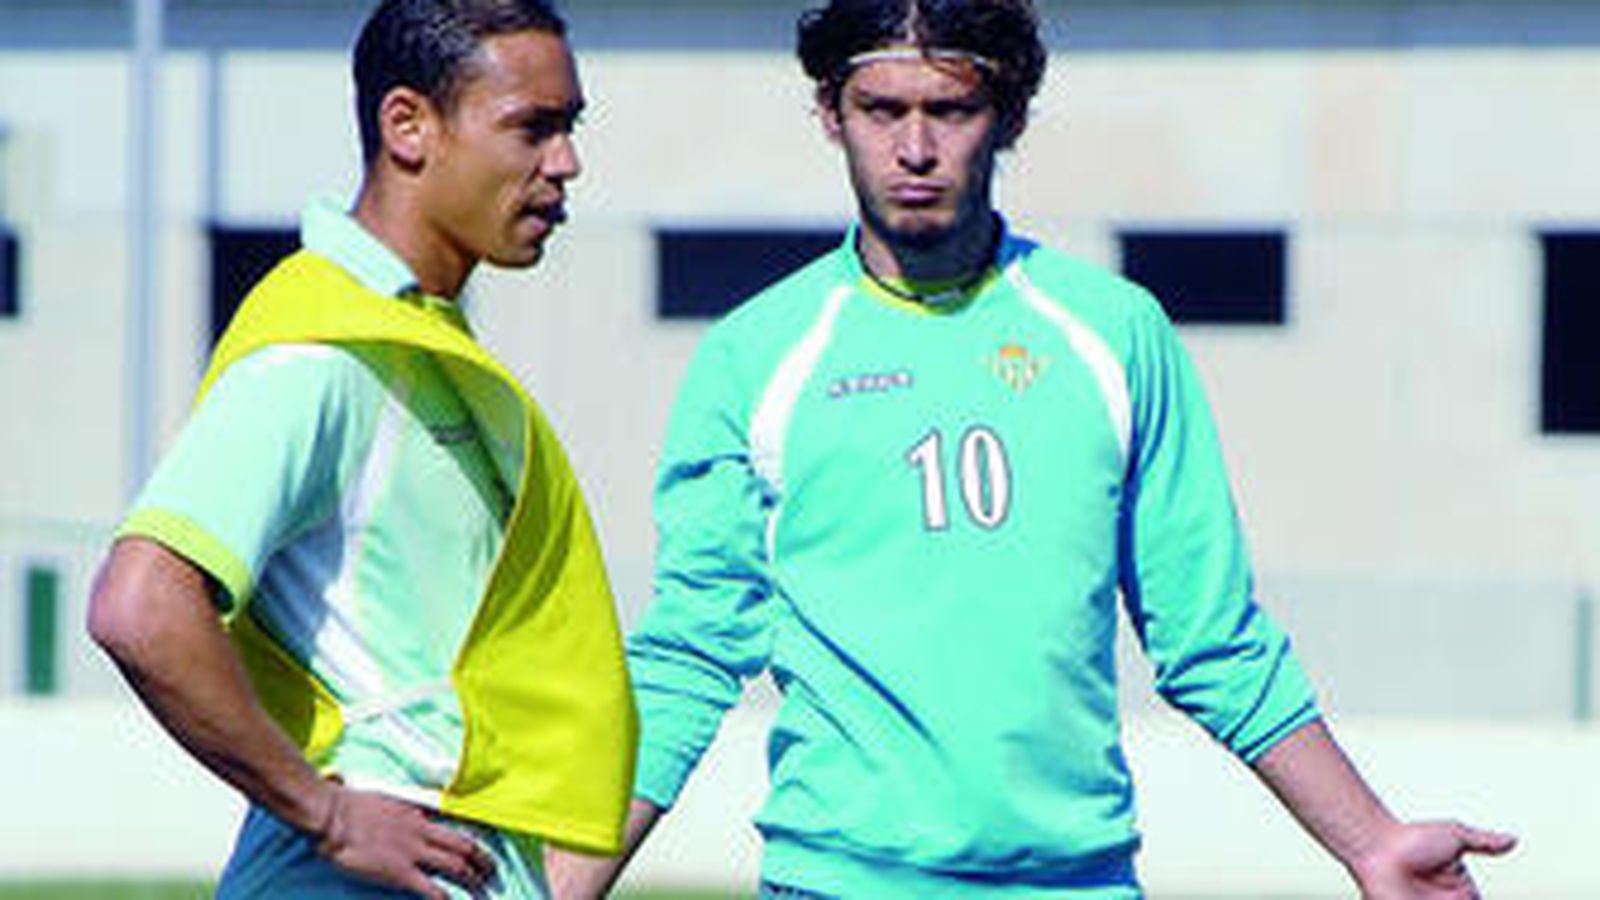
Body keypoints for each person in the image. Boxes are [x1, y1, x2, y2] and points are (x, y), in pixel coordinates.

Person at [545, 1, 1516, 898]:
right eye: (881, 109)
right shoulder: (754, 357)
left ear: (1006, 116)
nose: (914, 148)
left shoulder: (1112, 333)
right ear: (829, 115)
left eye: (950, 109)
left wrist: (1371, 841)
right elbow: (689, 654)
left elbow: (1209, 637)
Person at [86, 1, 635, 897]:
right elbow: (140, 603)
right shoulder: (320, 356)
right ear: (408, 126)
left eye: (569, 128)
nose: (566, 163)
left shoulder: (410, 344)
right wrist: (328, 812)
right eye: (532, 128)